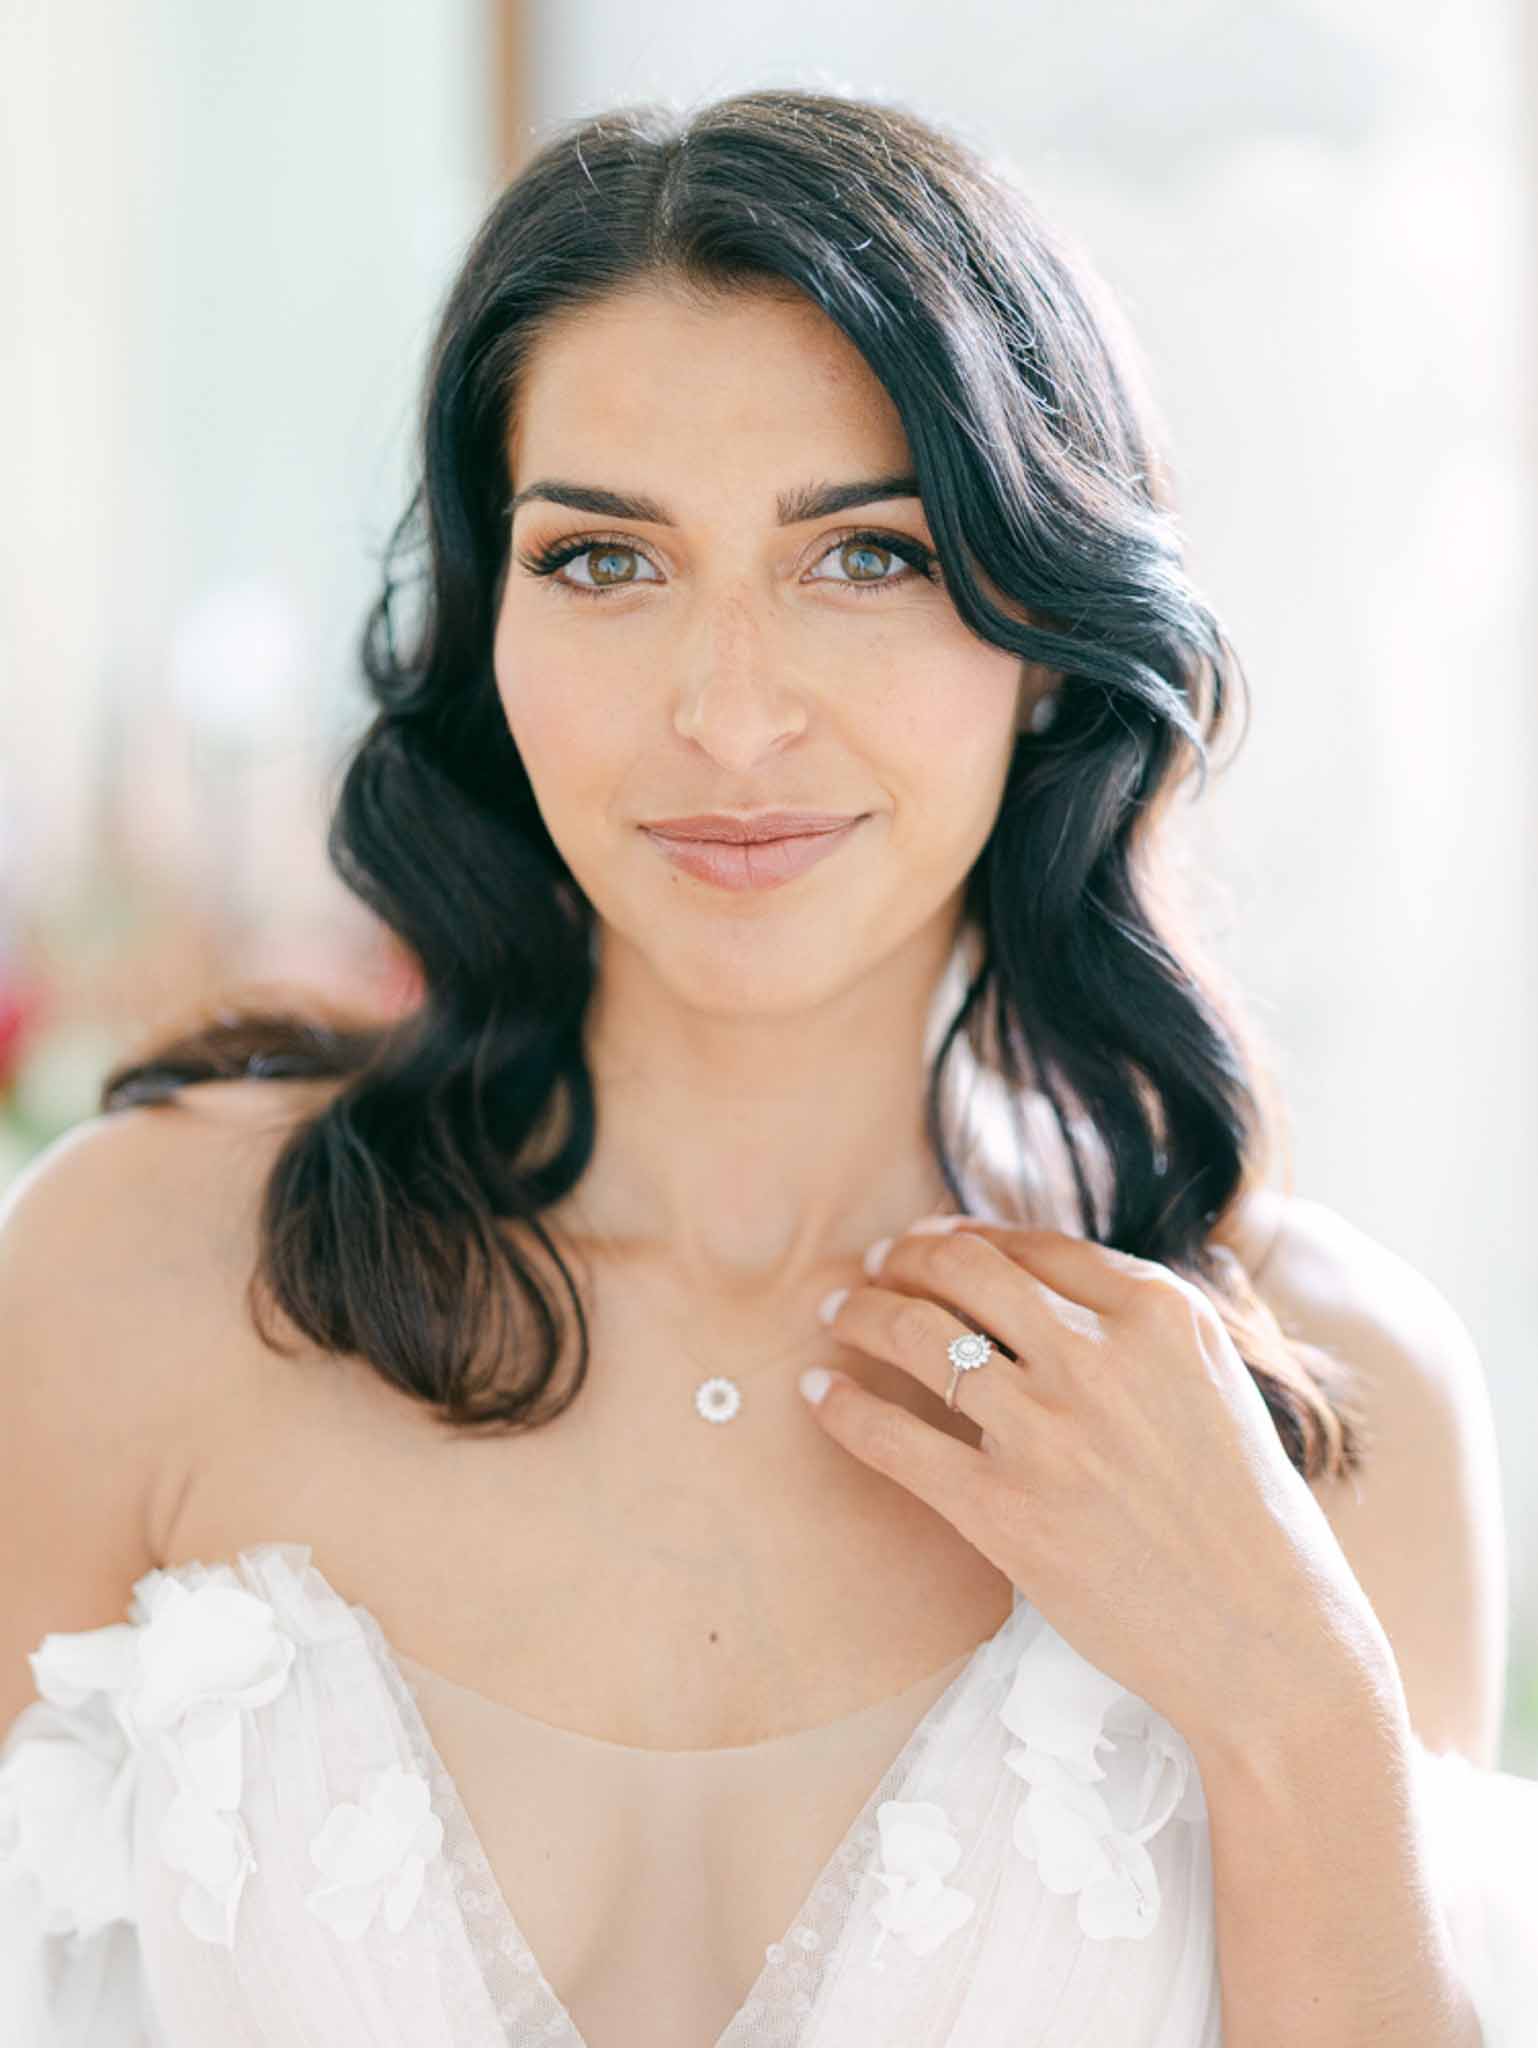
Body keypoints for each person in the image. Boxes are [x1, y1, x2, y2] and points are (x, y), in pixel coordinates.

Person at [1, 84, 1533, 2048]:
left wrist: (1285, 1694)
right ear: (487, 634)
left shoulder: (1327, 1402)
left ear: (1045, 636)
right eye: (605, 564)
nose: (727, 716)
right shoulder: (140, 1277)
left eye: (865, 557)